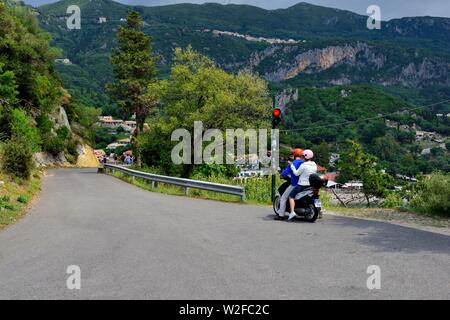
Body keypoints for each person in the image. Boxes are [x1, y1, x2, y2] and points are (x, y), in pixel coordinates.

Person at [288, 149, 317, 221]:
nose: (302, 157)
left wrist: (292, 166)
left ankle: (292, 212)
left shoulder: (303, 165)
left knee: (291, 196)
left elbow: (296, 173)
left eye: (302, 156)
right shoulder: (314, 165)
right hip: (311, 185)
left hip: (302, 185)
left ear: (304, 156)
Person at [275, 149, 304, 220]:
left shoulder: (292, 164)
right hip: (305, 184)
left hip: (295, 184)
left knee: (283, 197)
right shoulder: (304, 163)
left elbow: (284, 173)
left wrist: (281, 175)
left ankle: (281, 215)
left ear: (294, 155)